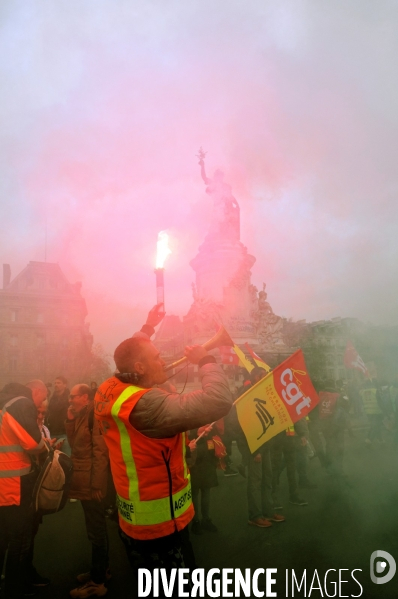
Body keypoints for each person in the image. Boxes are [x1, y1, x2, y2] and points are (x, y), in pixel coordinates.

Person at [94, 304, 233, 597]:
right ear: (141, 369)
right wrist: (206, 359)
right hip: (160, 526)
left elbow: (130, 355)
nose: (164, 361)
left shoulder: (110, 386)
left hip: (135, 519)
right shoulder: (147, 406)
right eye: (157, 358)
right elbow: (219, 400)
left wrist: (147, 328)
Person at [0, 379, 48, 599]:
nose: (40, 406)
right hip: (14, 484)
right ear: (36, 392)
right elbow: (33, 443)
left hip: (4, 483)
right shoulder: (21, 403)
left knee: (3, 537)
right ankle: (15, 588)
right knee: (20, 538)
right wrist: (45, 445)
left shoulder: (5, 402)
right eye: (42, 399)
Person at [65, 384, 109, 599]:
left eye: (72, 396)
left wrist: (97, 485)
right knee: (95, 528)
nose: (69, 400)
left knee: (96, 530)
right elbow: (75, 444)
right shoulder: (84, 415)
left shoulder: (95, 416)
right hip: (85, 481)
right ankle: (100, 571)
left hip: (91, 483)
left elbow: (101, 452)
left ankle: (98, 581)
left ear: (84, 397)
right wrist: (71, 420)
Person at [189, 422, 225, 534]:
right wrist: (197, 432)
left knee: (206, 491)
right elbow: (184, 433)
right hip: (194, 459)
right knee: (194, 492)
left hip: (208, 459)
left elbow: (218, 433)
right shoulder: (189, 413)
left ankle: (206, 519)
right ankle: (195, 521)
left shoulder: (209, 415)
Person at [46, 375, 70, 454]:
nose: (56, 385)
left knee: (66, 459)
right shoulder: (52, 398)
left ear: (65, 385)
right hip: (52, 433)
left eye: (59, 383)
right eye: (55, 383)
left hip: (65, 433)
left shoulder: (69, 398)